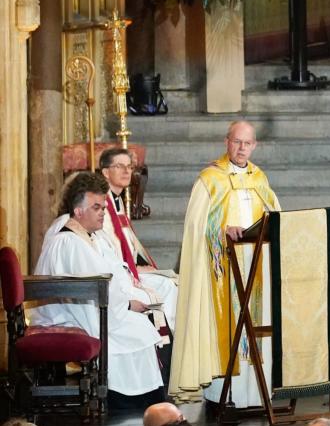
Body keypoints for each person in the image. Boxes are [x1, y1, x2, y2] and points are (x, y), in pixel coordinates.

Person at [170, 120, 281, 407]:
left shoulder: (259, 178)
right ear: (226, 142)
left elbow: (275, 217)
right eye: (237, 142)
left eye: (247, 143)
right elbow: (196, 226)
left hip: (256, 262)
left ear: (255, 145)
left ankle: (257, 393)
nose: (242, 148)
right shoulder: (210, 178)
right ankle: (224, 395)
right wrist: (220, 230)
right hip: (222, 265)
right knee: (228, 325)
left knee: (256, 323)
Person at [31, 173, 164, 402]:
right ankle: (126, 399)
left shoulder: (85, 235)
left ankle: (145, 398)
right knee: (136, 327)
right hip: (69, 313)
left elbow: (106, 277)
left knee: (137, 323)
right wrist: (128, 304)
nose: (103, 212)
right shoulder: (69, 242)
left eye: (103, 206)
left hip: (83, 307)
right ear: (78, 210)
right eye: (96, 207)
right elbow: (96, 285)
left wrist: (127, 300)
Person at [97, 148, 178, 331]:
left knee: (170, 281)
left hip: (128, 270)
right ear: (105, 172)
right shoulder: (102, 204)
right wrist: (132, 268)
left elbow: (128, 242)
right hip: (118, 275)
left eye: (129, 166)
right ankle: (167, 346)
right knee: (167, 286)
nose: (127, 171)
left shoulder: (116, 201)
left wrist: (137, 264)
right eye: (120, 166)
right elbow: (107, 248)